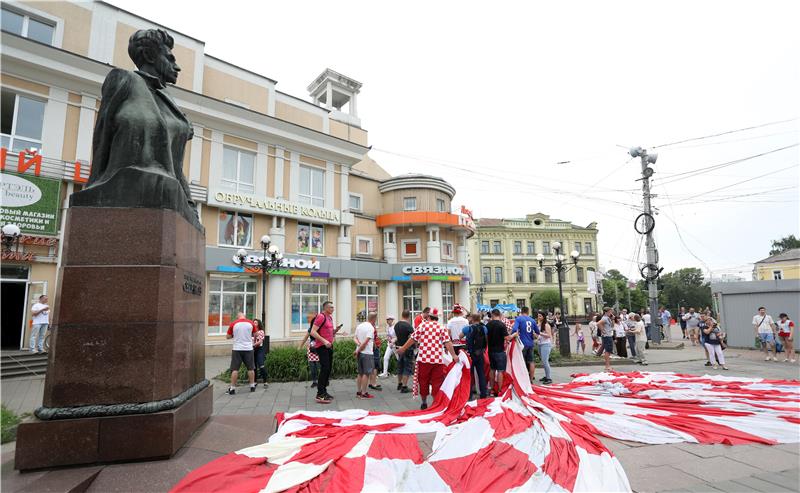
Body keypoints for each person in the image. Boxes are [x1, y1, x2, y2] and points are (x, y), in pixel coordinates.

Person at [396, 308, 456, 410]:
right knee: (437, 382)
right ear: (437, 318)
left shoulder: (423, 325)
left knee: (423, 381)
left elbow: (413, 338)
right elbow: (447, 342)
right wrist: (454, 355)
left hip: (423, 359)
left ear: (428, 317)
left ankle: (424, 402)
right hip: (437, 359)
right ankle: (435, 403)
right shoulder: (441, 327)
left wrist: (403, 348)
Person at [309, 301, 340, 404]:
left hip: (329, 346)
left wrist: (336, 332)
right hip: (322, 346)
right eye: (331, 307)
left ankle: (324, 391)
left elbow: (329, 331)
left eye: (333, 307)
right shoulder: (321, 317)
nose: (333, 309)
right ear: (326, 308)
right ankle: (320, 394)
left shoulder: (330, 318)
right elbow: (312, 331)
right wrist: (324, 341)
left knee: (328, 369)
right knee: (324, 368)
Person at [225, 312, 257, 395]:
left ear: (238, 317)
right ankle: (252, 386)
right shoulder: (250, 323)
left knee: (235, 369)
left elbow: (227, 336)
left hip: (237, 349)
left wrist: (234, 335)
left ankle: (232, 388)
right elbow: (255, 334)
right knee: (250, 368)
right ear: (244, 316)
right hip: (248, 348)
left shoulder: (233, 324)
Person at [486, 309, 512, 395]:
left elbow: (485, 338)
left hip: (490, 351)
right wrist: (514, 335)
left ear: (493, 315)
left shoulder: (488, 325)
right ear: (499, 315)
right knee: (500, 371)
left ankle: (492, 390)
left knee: (492, 370)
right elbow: (507, 338)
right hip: (500, 351)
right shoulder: (502, 325)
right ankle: (500, 390)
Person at [463, 313, 489, 398]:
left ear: (472, 319)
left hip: (470, 354)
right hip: (480, 353)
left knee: (469, 375)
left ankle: (469, 395)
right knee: (481, 373)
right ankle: (483, 394)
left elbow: (460, 336)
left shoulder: (468, 328)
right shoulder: (484, 328)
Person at [511, 306, 539, 383]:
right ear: (528, 311)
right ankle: (531, 379)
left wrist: (513, 334)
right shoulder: (532, 320)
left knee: (522, 361)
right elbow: (537, 332)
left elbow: (514, 329)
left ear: (521, 311)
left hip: (522, 344)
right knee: (531, 361)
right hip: (530, 343)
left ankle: (523, 378)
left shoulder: (519, 319)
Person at [354, 312, 377, 399]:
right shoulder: (371, 328)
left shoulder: (360, 326)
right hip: (367, 353)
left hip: (360, 353)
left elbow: (354, 338)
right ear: (374, 319)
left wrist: (358, 348)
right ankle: (364, 393)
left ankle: (359, 392)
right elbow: (366, 342)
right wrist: (359, 349)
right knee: (366, 373)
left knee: (360, 373)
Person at [393, 310, 414, 393]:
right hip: (407, 348)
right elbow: (412, 337)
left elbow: (396, 336)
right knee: (407, 367)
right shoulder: (408, 326)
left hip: (398, 347)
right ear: (409, 316)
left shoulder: (396, 325)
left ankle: (399, 383)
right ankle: (404, 386)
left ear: (402, 315)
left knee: (400, 366)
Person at [536, 311, 554, 384]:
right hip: (540, 344)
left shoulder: (546, 325)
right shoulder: (539, 324)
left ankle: (549, 378)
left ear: (543, 316)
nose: (538, 317)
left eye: (540, 316)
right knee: (543, 361)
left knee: (545, 361)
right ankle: (546, 376)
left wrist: (539, 333)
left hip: (546, 344)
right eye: (538, 316)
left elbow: (549, 335)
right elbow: (538, 335)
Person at [252, 319, 268, 388]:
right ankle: (255, 381)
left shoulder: (261, 331)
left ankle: (265, 381)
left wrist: (253, 345)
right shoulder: (251, 332)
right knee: (254, 366)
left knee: (261, 365)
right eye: (253, 323)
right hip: (252, 350)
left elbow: (260, 342)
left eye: (255, 323)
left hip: (259, 350)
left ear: (258, 324)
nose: (254, 324)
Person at [599, 307, 615, 372]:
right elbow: (598, 323)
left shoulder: (608, 318)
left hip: (609, 335)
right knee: (607, 351)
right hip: (607, 336)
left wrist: (613, 319)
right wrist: (603, 330)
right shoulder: (604, 318)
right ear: (606, 312)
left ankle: (608, 366)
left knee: (608, 351)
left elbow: (612, 326)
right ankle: (607, 366)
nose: (611, 313)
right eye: (610, 312)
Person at [368, 323, 383, 391]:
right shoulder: (371, 327)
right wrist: (376, 345)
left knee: (372, 366)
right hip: (374, 348)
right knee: (375, 366)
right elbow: (372, 338)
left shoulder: (369, 326)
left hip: (372, 348)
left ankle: (371, 383)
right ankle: (373, 383)